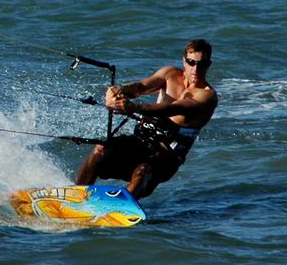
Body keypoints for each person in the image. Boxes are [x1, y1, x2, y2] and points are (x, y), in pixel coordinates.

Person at [74, 39, 218, 200]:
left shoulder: (207, 96)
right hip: (140, 142)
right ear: (184, 61)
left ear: (209, 64)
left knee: (143, 171)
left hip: (165, 156)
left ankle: (120, 207)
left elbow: (172, 108)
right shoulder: (169, 74)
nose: (196, 68)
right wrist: (120, 91)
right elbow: (141, 87)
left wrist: (134, 108)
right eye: (191, 62)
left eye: (202, 64)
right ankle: (77, 197)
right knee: (101, 148)